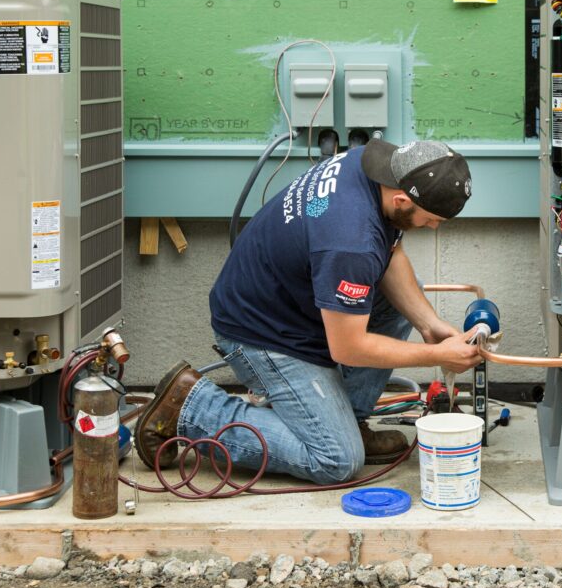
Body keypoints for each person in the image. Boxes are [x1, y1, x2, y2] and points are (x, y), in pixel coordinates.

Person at [135, 138, 480, 483]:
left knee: (406, 293)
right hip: (263, 334)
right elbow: (349, 348)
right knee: (337, 460)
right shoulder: (351, 241)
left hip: (291, 303)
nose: (433, 226)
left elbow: (390, 254)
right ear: (402, 200)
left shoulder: (377, 166)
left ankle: (346, 420)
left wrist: (429, 324)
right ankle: (193, 407)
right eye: (431, 219)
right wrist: (436, 355)